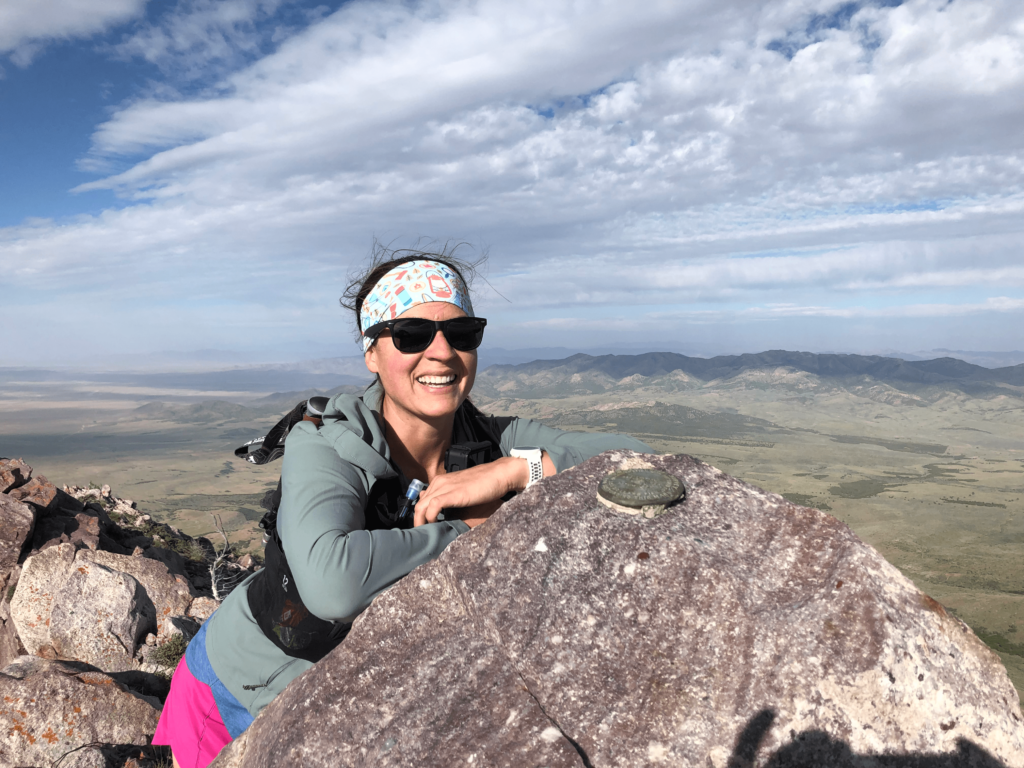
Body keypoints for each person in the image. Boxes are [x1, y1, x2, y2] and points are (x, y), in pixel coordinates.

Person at [152, 249, 651, 767]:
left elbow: (640, 459)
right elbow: (333, 584)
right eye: (411, 335)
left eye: (461, 334)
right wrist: (473, 529)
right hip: (238, 690)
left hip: (362, 696)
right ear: (372, 353)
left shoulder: (494, 442)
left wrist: (517, 470)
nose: (441, 353)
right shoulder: (326, 443)